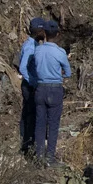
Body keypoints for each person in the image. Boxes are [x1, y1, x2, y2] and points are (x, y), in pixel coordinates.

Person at [31, 20, 70, 162]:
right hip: (55, 89)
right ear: (58, 34)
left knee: (40, 123)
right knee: (53, 124)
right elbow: (68, 73)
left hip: (40, 89)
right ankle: (50, 157)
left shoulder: (37, 50)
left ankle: (39, 156)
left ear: (44, 33)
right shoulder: (60, 52)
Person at [18, 17, 45, 155]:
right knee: (29, 114)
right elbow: (23, 68)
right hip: (29, 86)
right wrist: (34, 82)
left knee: (30, 113)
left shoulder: (34, 44)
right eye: (42, 30)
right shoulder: (30, 46)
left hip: (31, 84)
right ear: (38, 31)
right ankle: (26, 144)